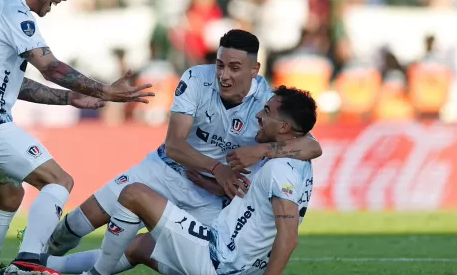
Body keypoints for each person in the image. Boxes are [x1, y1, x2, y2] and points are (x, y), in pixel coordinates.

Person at [42, 30, 322, 275]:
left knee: (146, 248)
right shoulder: (196, 79)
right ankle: (36, 261)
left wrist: (260, 150)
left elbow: (312, 146)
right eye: (220, 65)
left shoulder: (267, 104)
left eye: (235, 68)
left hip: (211, 196)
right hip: (165, 171)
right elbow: (175, 144)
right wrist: (217, 168)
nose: (224, 76)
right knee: (76, 224)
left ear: (254, 69)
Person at [0, 0, 155, 275]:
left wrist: (68, 98)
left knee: (10, 197)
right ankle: (28, 264)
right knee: (59, 181)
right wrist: (104, 89)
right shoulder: (15, 11)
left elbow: (15, 84)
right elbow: (50, 67)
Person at [85, 85, 317, 275]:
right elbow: (260, 204)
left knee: (134, 193)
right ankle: (50, 264)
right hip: (228, 256)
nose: (258, 114)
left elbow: (288, 238)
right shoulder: (294, 156)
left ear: (285, 127)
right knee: (141, 247)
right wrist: (218, 188)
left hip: (220, 261)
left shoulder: (280, 168)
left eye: (266, 111)